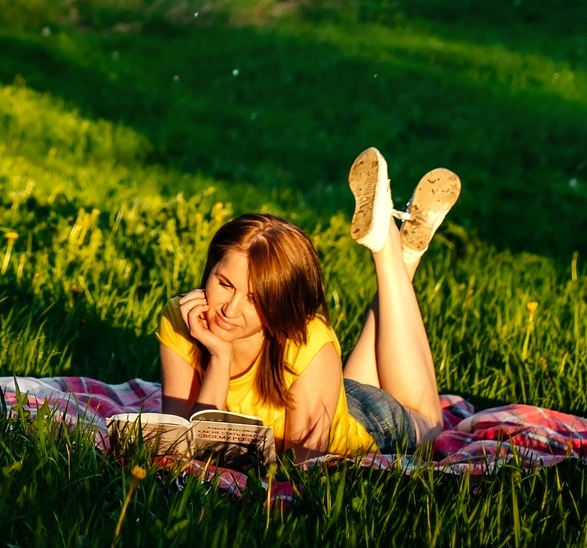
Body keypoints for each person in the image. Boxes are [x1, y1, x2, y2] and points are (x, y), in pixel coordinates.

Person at [155, 149, 462, 459]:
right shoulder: (182, 318)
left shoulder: (306, 339)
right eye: (224, 284)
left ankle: (392, 252)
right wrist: (219, 359)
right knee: (340, 377)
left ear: (281, 301)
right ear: (210, 269)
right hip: (328, 390)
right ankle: (397, 255)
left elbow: (304, 467)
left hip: (371, 423)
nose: (230, 310)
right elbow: (181, 445)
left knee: (431, 426)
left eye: (254, 298)